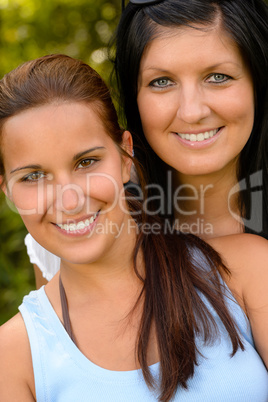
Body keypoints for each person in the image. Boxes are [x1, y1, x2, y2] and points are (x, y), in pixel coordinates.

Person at [0, 54, 267, 401]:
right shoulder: (14, 357)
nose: (68, 201)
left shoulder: (244, 269)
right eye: (33, 176)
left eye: (86, 162)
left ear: (126, 156)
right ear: (6, 188)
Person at [24, 0, 268, 287]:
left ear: (258, 83)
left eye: (218, 77)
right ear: (134, 97)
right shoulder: (75, 230)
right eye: (162, 82)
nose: (191, 111)